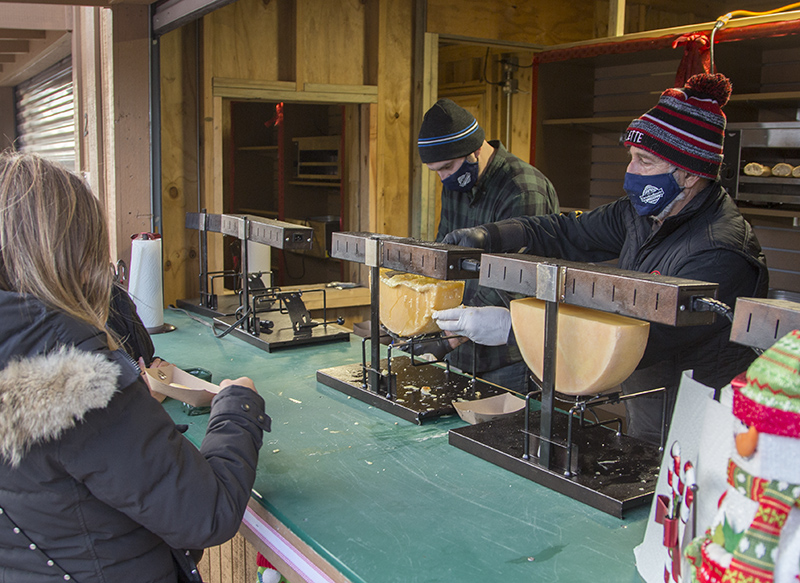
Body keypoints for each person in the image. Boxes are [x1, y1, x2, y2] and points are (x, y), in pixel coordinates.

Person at [434, 73, 768, 444]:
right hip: (650, 406)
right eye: (631, 157)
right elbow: (566, 233)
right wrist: (492, 235)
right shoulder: (641, 216)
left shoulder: (719, 251)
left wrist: (511, 327)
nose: (630, 172)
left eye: (644, 161)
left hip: (702, 420)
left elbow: (635, 339)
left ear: (688, 173)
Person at [0, 152, 271, 582]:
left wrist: (127, 408)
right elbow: (207, 512)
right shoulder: (69, 377)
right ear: (71, 254)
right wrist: (239, 406)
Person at [417, 98, 559, 392]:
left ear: (475, 150)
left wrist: (449, 337)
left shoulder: (522, 189)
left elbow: (516, 281)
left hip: (507, 356)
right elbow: (447, 257)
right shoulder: (457, 183)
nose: (444, 178)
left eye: (447, 167)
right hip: (460, 345)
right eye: (437, 171)